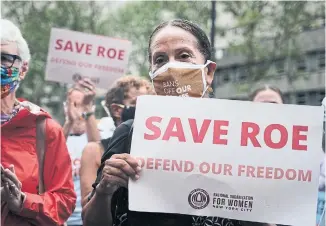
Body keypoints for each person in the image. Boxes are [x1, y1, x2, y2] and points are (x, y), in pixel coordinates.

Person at [82, 19, 278, 226]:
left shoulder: (242, 138)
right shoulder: (130, 133)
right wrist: (104, 191)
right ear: (152, 74)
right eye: (160, 59)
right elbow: (92, 221)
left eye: (184, 56)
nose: (171, 67)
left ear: (209, 72)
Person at [1, 19, 76, 225]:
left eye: (4, 58)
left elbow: (64, 201)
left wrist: (23, 202)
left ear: (23, 68)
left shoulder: (45, 129)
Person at [80, 76, 154, 207]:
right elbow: (88, 211)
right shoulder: (94, 151)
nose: (149, 108)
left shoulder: (157, 151)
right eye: (141, 102)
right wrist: (104, 189)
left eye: (152, 103)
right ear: (117, 110)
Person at [63, 78, 116, 226]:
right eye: (75, 104)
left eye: (84, 104)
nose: (79, 111)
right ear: (65, 107)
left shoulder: (104, 131)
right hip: (63, 219)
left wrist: (88, 113)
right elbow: (51, 157)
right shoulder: (59, 134)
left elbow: (97, 147)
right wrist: (69, 123)